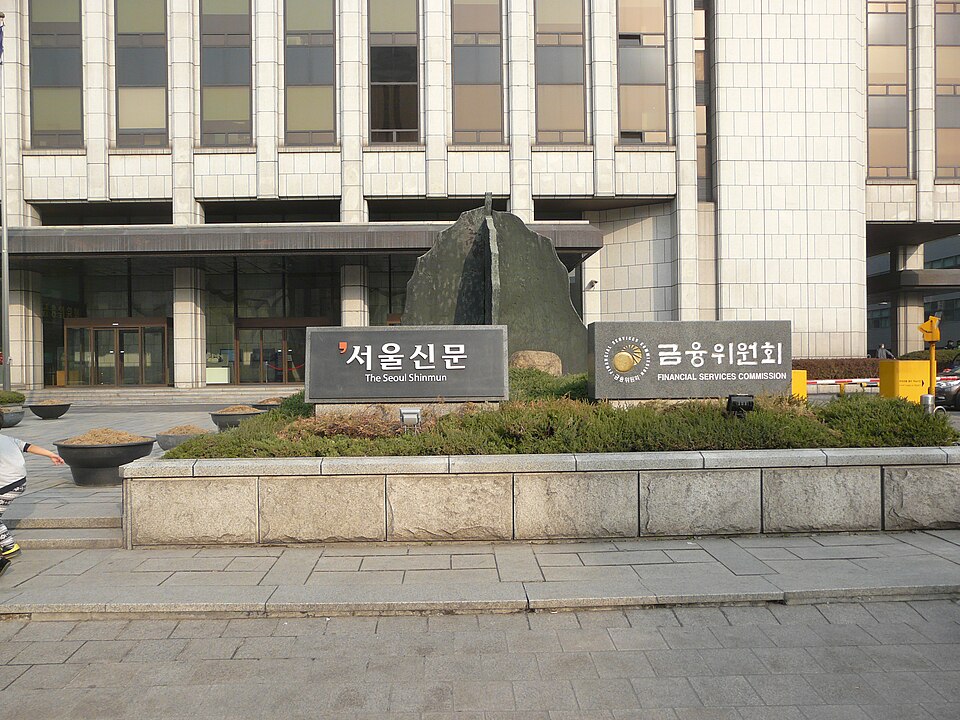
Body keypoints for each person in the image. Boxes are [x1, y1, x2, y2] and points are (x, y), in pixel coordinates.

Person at [0, 435, 64, 577]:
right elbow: (29, 447)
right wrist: (51, 455)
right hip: (19, 482)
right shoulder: (8, 439)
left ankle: (8, 546)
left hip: (5, 484)